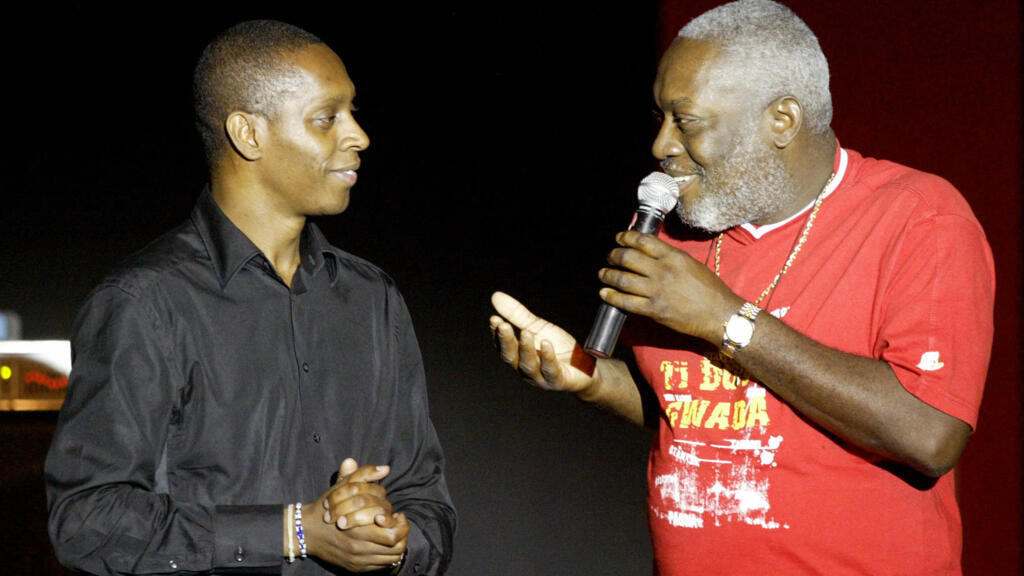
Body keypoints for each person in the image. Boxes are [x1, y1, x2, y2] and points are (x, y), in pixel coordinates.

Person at [489, 1, 993, 574]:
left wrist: (727, 320)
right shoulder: (669, 234)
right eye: (659, 118)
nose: (661, 146)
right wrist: (589, 377)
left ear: (781, 119)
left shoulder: (920, 218)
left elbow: (929, 435)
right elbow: (687, 411)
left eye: (687, 121)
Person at [45, 20, 455, 575]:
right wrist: (293, 532)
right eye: (327, 118)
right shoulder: (145, 303)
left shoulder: (372, 299)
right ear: (248, 133)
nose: (358, 135)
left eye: (352, 112)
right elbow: (86, 521)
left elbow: (427, 503)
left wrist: (393, 540)